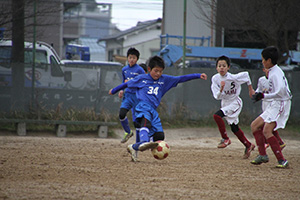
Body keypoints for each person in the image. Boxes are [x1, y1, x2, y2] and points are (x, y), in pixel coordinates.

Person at [109, 55, 207, 162]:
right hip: (142, 106)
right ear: (149, 69)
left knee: (159, 136)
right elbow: (126, 84)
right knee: (145, 122)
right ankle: (144, 141)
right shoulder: (141, 79)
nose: (158, 74)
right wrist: (114, 90)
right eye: (156, 71)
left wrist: (197, 75)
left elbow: (180, 79)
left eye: (160, 71)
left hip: (153, 110)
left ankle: (134, 147)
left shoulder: (164, 80)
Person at [251, 46, 292, 168]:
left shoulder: (275, 74)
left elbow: (280, 92)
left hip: (281, 103)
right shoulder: (273, 71)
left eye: (263, 59)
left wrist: (263, 96)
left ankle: (282, 161)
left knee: (267, 131)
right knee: (254, 126)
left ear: (269, 60)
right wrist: (260, 95)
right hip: (275, 103)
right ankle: (263, 155)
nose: (262, 62)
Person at [211, 55, 255, 159]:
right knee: (234, 128)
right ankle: (248, 145)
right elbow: (217, 96)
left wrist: (250, 89)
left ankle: (225, 139)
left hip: (235, 102)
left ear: (228, 67)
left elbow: (246, 75)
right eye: (219, 66)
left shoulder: (233, 77)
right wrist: (221, 89)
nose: (221, 68)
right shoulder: (215, 78)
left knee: (217, 116)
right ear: (216, 68)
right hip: (225, 103)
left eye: (224, 65)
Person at [118, 48, 145, 143]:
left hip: (137, 97)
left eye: (134, 58)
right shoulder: (124, 69)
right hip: (128, 96)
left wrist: (132, 83)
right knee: (121, 114)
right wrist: (121, 90)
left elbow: (143, 83)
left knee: (137, 122)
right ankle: (128, 132)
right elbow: (123, 82)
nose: (132, 59)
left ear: (137, 59)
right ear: (127, 58)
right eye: (130, 57)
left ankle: (137, 146)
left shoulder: (140, 70)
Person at [255, 67, 286, 150]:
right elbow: (259, 90)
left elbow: (277, 92)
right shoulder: (261, 80)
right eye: (266, 68)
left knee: (266, 123)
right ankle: (279, 142)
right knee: (266, 123)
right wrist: (256, 94)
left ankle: (268, 142)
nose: (268, 70)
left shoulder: (274, 78)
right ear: (263, 69)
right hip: (265, 102)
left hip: (272, 102)